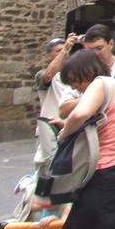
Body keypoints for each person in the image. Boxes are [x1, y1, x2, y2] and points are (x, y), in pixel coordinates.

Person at [50, 49, 115, 229]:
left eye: (76, 81)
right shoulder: (113, 88)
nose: (76, 87)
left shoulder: (101, 83)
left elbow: (78, 114)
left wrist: (64, 134)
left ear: (86, 71)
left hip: (106, 176)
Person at [59, 24, 115, 119]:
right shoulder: (80, 72)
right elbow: (62, 112)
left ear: (111, 44)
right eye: (90, 50)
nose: (95, 53)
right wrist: (94, 96)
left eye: (99, 48)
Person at [34, 34, 77, 170]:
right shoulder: (43, 75)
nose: (64, 52)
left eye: (65, 50)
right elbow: (48, 76)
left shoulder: (76, 77)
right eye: (58, 50)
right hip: (51, 132)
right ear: (49, 57)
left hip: (70, 130)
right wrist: (65, 50)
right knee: (47, 173)